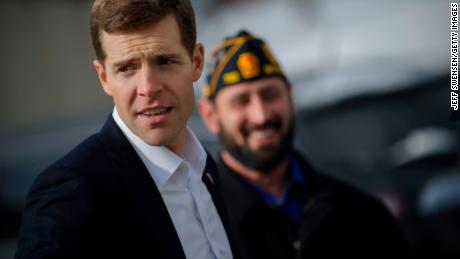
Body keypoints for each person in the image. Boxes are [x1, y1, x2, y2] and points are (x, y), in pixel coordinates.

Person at [15, 1, 239, 259]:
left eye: (164, 61)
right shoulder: (73, 190)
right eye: (126, 68)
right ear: (104, 78)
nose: (148, 87)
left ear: (196, 62)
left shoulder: (206, 168)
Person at [199, 30, 410, 259]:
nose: (261, 116)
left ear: (290, 97)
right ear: (210, 116)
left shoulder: (360, 213)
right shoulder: (199, 229)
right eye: (241, 101)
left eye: (270, 95)